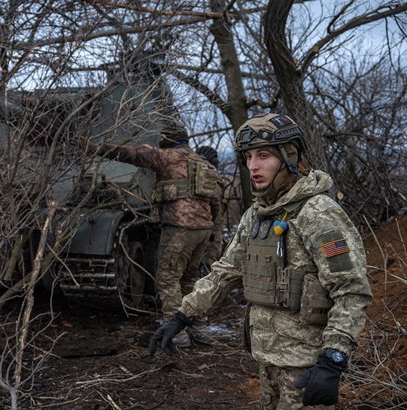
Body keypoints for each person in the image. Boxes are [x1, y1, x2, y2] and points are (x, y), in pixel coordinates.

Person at [149, 113, 372, 409]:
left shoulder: (318, 214)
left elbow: (351, 291)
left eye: (263, 156)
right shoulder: (257, 214)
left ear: (289, 156)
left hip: (306, 366)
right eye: (249, 156)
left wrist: (333, 357)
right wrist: (181, 316)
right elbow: (225, 272)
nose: (253, 166)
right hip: (267, 359)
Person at [83, 120, 220, 346]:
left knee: (167, 278)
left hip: (180, 228)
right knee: (189, 280)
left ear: (167, 139)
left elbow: (130, 155)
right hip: (203, 230)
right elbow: (215, 202)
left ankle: (175, 332)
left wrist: (91, 147)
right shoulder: (205, 165)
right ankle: (198, 327)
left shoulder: (167, 157)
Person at [195, 145, 226, 270]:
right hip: (210, 230)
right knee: (209, 265)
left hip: (202, 229)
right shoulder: (211, 178)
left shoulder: (194, 175)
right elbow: (216, 206)